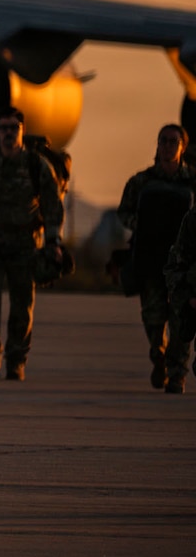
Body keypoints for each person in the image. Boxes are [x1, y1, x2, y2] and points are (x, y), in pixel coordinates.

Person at [0, 107, 64, 380]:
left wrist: (53, 241)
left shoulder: (37, 165)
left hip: (25, 243)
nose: (8, 133)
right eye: (3, 128)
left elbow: (52, 205)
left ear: (22, 131)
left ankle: (16, 361)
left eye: (13, 128)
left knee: (22, 306)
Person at [116, 125, 195, 387]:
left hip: (183, 263)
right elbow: (123, 211)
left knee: (181, 318)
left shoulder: (192, 181)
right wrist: (141, 224)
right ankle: (158, 356)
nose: (168, 146)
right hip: (151, 260)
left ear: (183, 147)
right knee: (153, 317)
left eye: (173, 141)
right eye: (163, 141)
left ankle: (177, 373)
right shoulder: (142, 182)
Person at [161, 184, 196, 395]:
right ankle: (175, 373)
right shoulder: (192, 220)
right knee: (178, 334)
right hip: (191, 295)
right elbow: (176, 267)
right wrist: (188, 298)